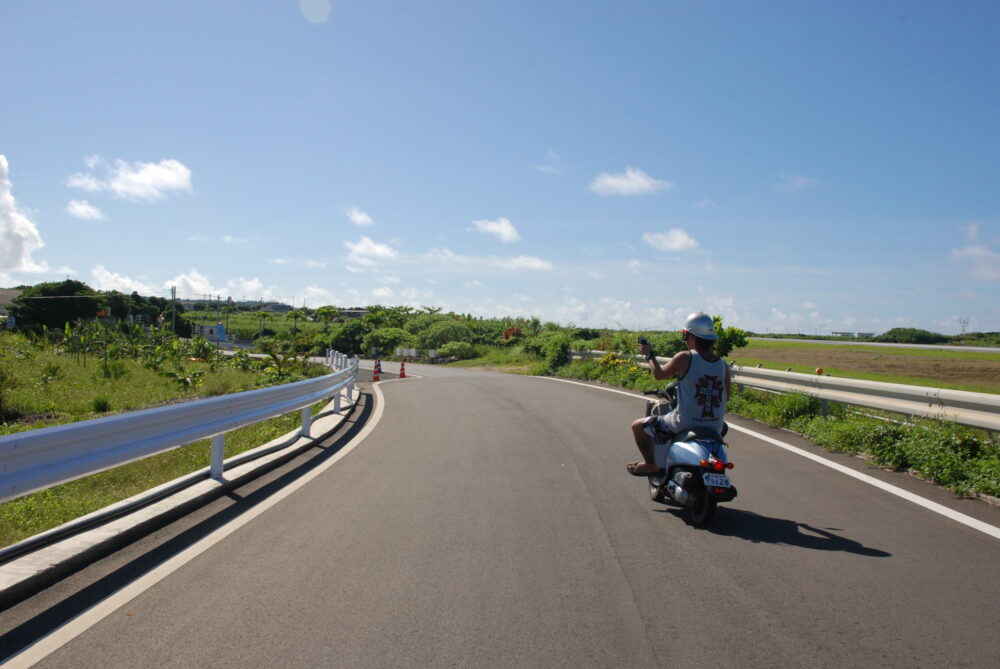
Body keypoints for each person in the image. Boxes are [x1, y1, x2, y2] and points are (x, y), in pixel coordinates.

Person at [626, 312, 732, 476]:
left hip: (684, 422)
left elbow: (659, 375)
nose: (685, 340)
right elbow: (727, 396)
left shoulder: (685, 357)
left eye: (686, 336)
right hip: (715, 426)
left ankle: (650, 465)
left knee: (638, 426)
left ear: (692, 337)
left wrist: (649, 355)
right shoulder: (722, 364)